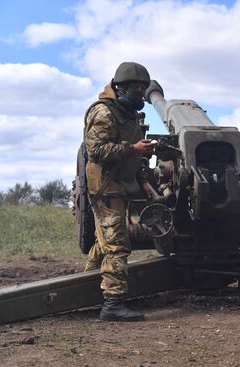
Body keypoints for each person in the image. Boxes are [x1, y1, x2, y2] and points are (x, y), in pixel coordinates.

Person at [83, 62, 155, 321]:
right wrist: (132, 149)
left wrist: (143, 180)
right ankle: (112, 304)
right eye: (137, 87)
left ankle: (85, 285)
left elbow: (134, 155)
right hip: (105, 186)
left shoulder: (128, 114)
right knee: (117, 245)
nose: (141, 91)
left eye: (144, 87)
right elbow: (96, 151)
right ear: (121, 87)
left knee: (104, 241)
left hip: (119, 184)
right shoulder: (104, 113)